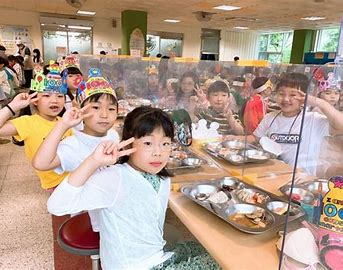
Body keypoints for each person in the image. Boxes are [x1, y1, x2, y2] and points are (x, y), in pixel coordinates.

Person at [47, 106, 220, 270]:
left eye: (165, 144)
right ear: (129, 143)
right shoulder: (115, 178)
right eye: (147, 143)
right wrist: (93, 161)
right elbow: (56, 205)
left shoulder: (161, 178)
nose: (158, 152)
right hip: (134, 266)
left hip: (157, 257)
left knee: (211, 250)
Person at [33, 68, 119, 231]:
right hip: (87, 216)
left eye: (111, 108)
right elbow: (41, 163)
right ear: (80, 108)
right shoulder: (73, 145)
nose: (104, 114)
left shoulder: (113, 135)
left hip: (113, 212)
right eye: (95, 107)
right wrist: (63, 125)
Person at [228, 73, 343, 175]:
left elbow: (340, 126)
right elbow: (254, 138)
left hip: (301, 179)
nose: (286, 99)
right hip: (273, 174)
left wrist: (318, 102)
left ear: (305, 97)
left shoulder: (313, 119)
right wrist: (233, 138)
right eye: (281, 94)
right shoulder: (270, 118)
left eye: (293, 95)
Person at [0, 61, 71, 190]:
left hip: (74, 175)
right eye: (46, 95)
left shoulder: (64, 121)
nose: (54, 100)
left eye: (60, 96)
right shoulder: (28, 123)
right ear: (35, 100)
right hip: (57, 184)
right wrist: (13, 107)